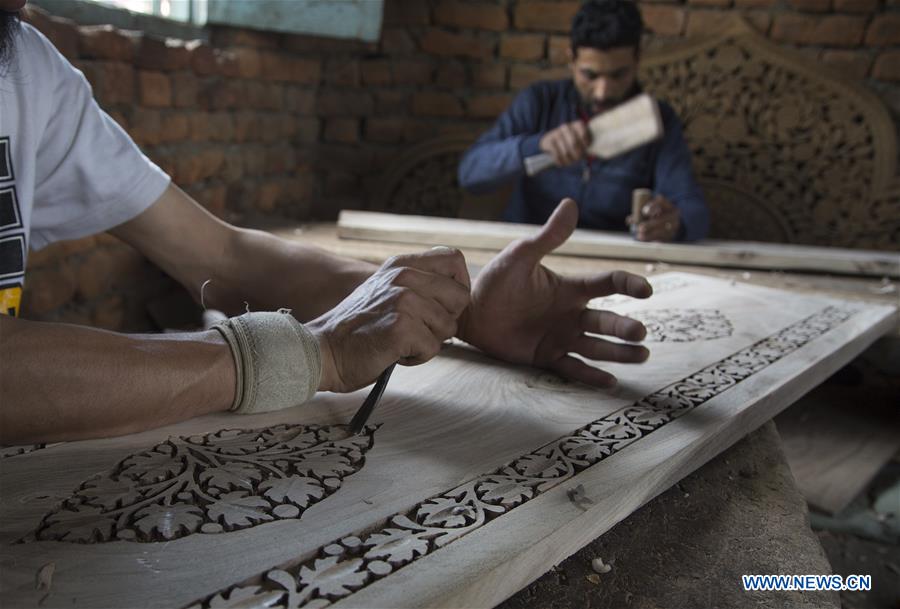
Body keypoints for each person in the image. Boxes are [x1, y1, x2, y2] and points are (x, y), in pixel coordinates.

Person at [0, 2, 654, 446]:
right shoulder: (539, 104)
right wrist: (311, 353)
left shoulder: (24, 66)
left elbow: (224, 258)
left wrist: (465, 310)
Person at [458, 0, 710, 243]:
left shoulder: (659, 120)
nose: (603, 91)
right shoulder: (540, 101)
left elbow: (694, 209)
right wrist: (536, 145)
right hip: (526, 249)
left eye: (618, 74)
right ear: (572, 59)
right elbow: (471, 174)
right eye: (590, 75)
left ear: (637, 60)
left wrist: (674, 223)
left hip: (609, 259)